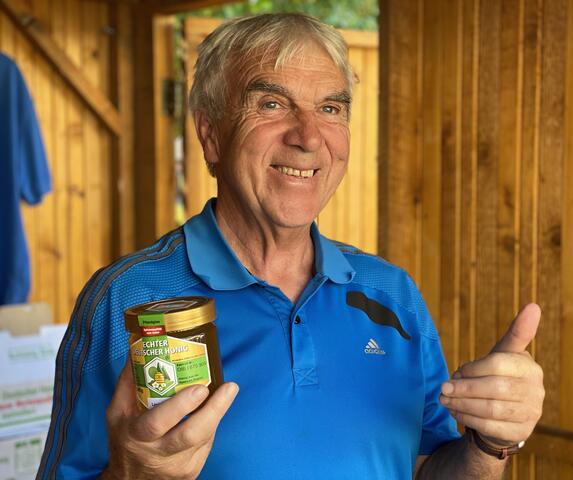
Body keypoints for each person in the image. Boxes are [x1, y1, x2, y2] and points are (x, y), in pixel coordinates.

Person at [37, 13, 544, 479]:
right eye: (272, 104)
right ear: (211, 136)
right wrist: (132, 473)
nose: (308, 136)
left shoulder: (392, 294)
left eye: (330, 108)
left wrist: (489, 444)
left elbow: (428, 468)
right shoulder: (129, 296)